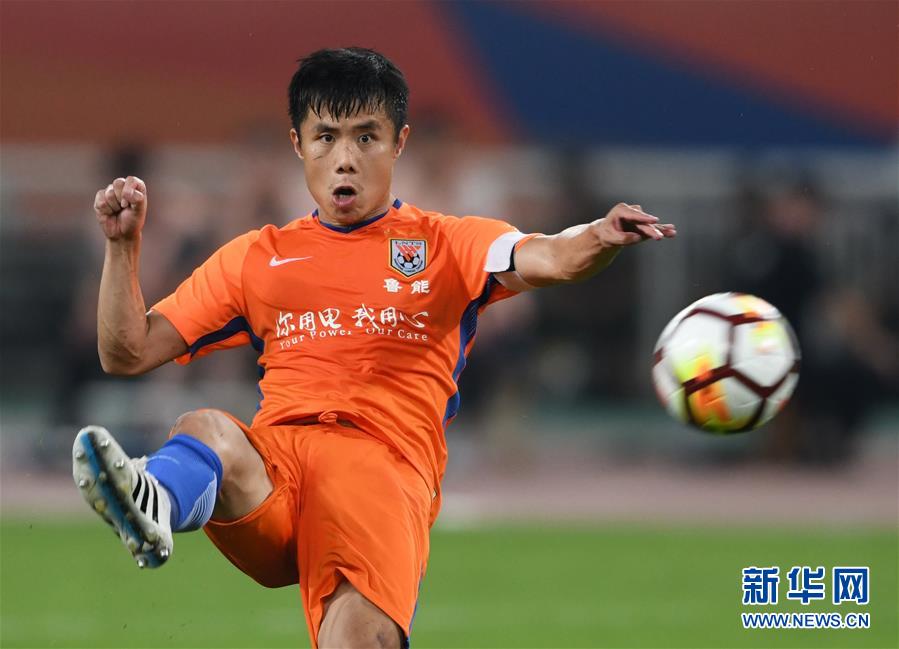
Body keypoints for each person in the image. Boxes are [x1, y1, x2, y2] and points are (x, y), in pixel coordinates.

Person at [73, 47, 676, 648]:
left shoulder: (447, 244)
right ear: (298, 145)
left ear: (398, 143)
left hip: (380, 478)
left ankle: (161, 498)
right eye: (325, 138)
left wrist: (597, 237)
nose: (345, 159)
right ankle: (155, 503)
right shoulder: (257, 257)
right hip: (278, 478)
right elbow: (126, 352)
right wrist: (122, 249)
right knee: (206, 429)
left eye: (366, 138)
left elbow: (546, 256)